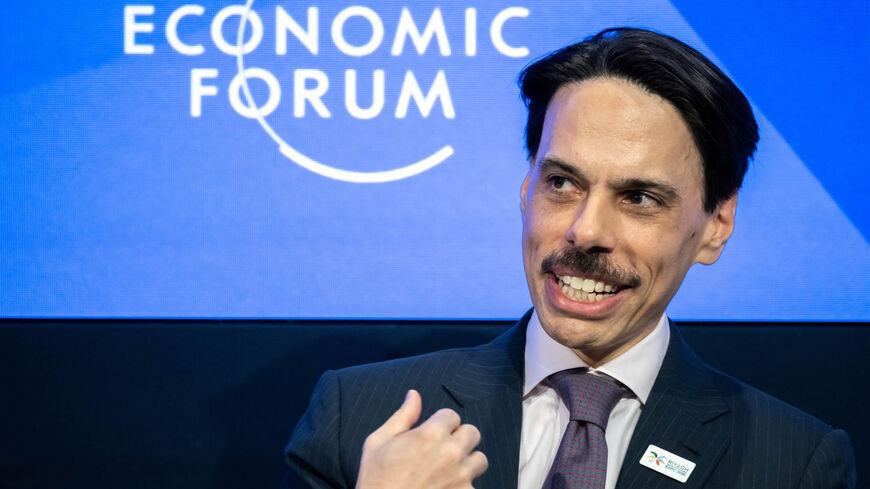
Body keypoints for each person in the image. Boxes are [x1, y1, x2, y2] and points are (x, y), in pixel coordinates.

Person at [282, 27, 857, 489]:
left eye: (638, 198)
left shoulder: (793, 462)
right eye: (562, 182)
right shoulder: (357, 419)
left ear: (716, 226)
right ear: (527, 187)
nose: (586, 231)